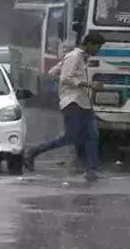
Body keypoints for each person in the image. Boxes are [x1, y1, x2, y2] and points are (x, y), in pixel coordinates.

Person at [24, 32, 106, 182]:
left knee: (92, 135)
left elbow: (52, 73)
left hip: (84, 102)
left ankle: (92, 169)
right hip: (72, 103)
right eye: (97, 47)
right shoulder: (74, 57)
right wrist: (87, 84)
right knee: (71, 137)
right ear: (89, 44)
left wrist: (69, 84)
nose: (98, 50)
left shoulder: (81, 58)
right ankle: (33, 152)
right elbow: (66, 77)